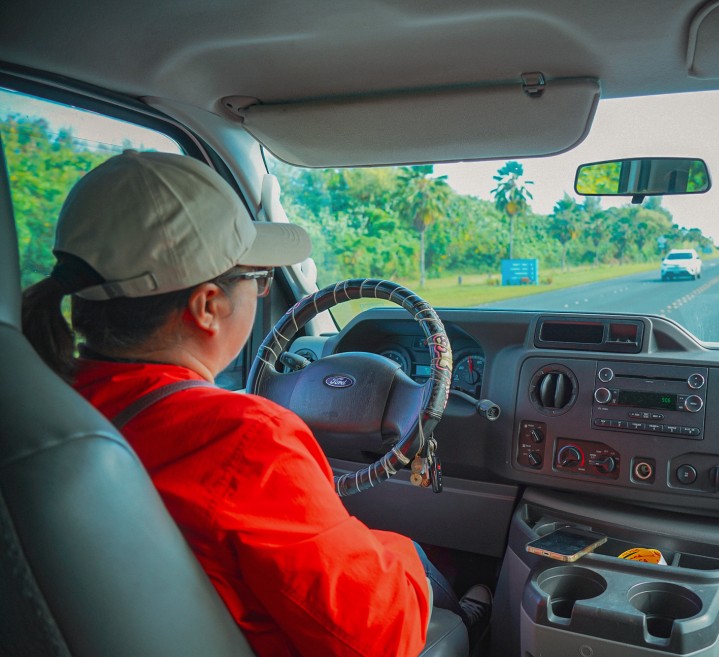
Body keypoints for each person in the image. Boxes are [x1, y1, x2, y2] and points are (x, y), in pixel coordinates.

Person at [21, 151, 490, 657]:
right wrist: (396, 551)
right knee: (414, 560)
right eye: (259, 278)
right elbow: (382, 638)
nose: (262, 290)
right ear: (208, 306)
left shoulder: (41, 406)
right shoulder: (245, 440)